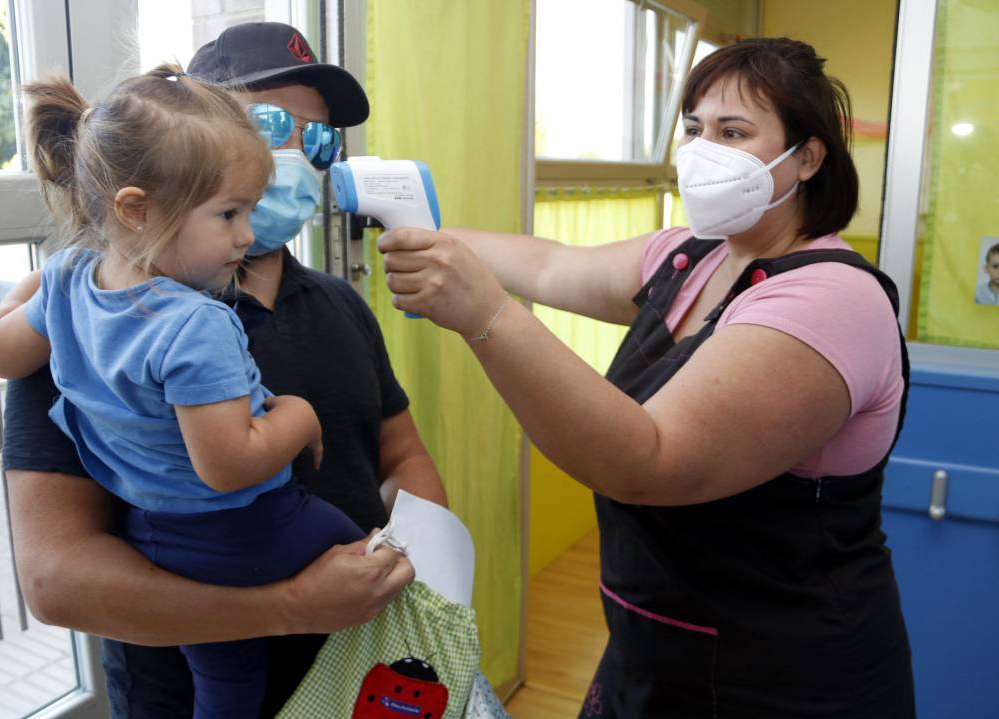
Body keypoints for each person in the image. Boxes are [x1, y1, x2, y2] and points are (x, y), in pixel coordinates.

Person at [379, 38, 914, 717]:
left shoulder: (831, 301)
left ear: (808, 157)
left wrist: (483, 313)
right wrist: (417, 231)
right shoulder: (689, 257)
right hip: (653, 649)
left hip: (784, 677)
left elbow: (648, 462)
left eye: (733, 131)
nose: (702, 149)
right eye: (693, 128)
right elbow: (549, 267)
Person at [0, 23, 443, 717]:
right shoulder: (91, 322)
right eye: (269, 124)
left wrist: (424, 570)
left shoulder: (340, 302)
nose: (294, 156)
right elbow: (58, 579)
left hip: (364, 683)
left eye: (318, 140)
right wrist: (289, 607)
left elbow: (403, 454)